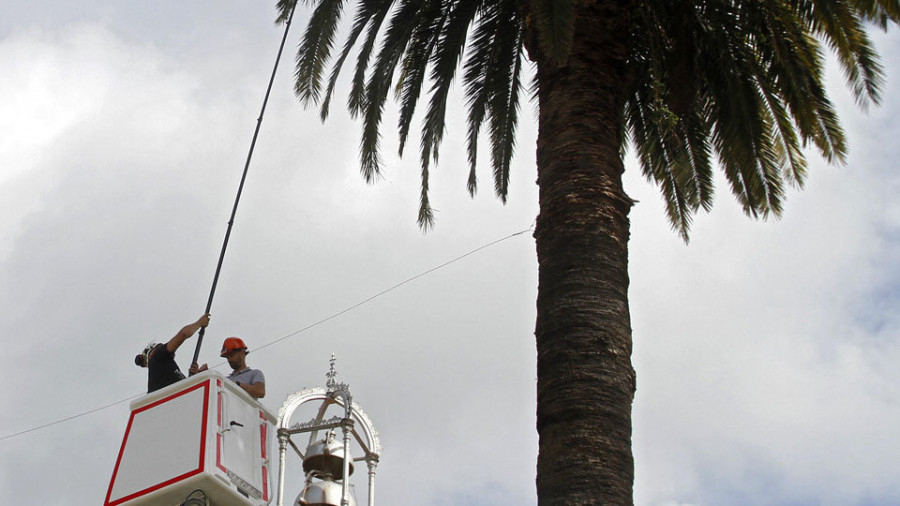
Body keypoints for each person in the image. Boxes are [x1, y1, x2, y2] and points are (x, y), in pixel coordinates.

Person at [134, 313, 210, 393]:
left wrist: (194, 377)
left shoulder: (164, 370)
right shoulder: (157, 355)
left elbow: (183, 391)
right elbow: (184, 334)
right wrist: (199, 323)